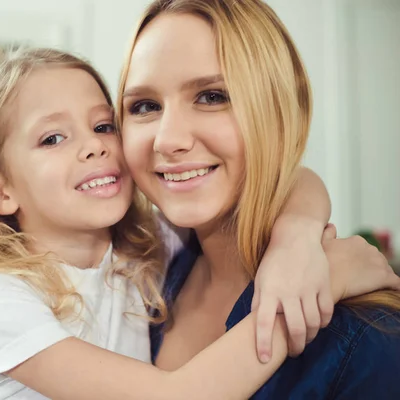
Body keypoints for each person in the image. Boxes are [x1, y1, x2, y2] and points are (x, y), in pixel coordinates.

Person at [0, 45, 397, 400]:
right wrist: (327, 280)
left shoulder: (142, 251)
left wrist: (296, 242)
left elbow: (297, 179)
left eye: (102, 125)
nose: (93, 145)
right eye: (52, 139)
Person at [117, 0, 400, 398]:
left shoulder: (367, 336)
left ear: (283, 113)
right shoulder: (143, 278)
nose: (168, 140)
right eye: (145, 106)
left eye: (212, 96)